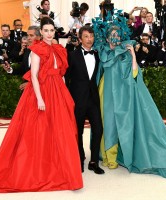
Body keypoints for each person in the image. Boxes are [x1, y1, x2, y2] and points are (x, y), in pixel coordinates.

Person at [0, 17, 83, 196]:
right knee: (39, 130)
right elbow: (35, 76)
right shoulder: (36, 50)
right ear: (41, 32)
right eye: (45, 30)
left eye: (51, 31)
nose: (48, 33)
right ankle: (40, 168)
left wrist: (63, 93)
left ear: (55, 32)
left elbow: (61, 74)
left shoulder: (59, 49)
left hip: (57, 91)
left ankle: (62, 169)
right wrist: (39, 99)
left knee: (61, 129)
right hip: (42, 92)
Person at [93, 12, 166, 177]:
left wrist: (132, 55)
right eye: (112, 35)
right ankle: (105, 156)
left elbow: (135, 75)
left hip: (122, 95)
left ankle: (116, 156)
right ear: (107, 37)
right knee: (106, 122)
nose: (114, 38)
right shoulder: (101, 53)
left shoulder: (124, 53)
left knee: (120, 124)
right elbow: (96, 75)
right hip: (105, 92)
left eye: (117, 35)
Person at [66, 25, 104, 174]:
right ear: (80, 38)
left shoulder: (97, 54)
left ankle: (93, 161)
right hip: (77, 99)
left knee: (98, 129)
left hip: (93, 98)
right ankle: (79, 159)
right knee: (78, 131)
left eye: (91, 36)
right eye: (86, 36)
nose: (89, 39)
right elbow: (66, 78)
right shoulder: (72, 55)